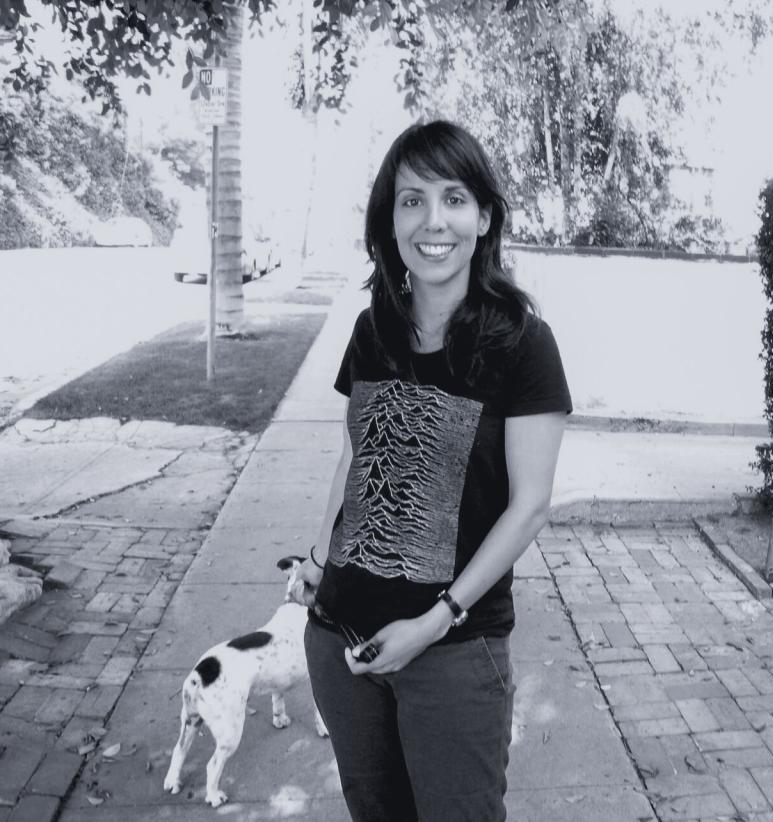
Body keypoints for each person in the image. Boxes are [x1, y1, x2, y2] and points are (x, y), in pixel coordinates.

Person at [297, 119, 572, 822]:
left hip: (452, 653)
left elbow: (529, 506)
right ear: (388, 221)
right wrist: (319, 560)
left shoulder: (524, 343)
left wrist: (435, 621)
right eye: (411, 200)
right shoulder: (372, 329)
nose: (433, 220)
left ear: (484, 216)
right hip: (341, 642)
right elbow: (357, 458)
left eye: (454, 198)